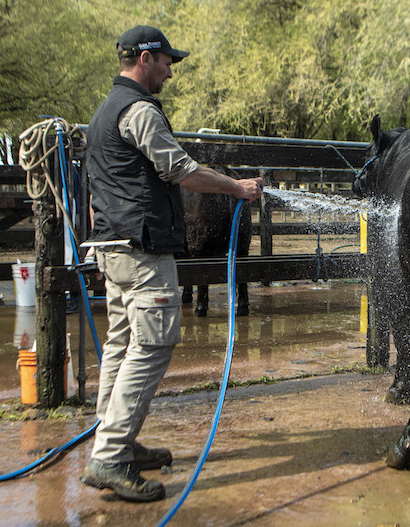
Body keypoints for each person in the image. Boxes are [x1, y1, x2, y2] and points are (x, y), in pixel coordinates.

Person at [81, 25, 265, 502]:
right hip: (142, 254)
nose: (169, 70)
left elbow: (97, 187)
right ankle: (110, 457)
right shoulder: (140, 111)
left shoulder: (104, 113)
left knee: (122, 347)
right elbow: (180, 170)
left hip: (113, 250)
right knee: (154, 345)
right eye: (166, 61)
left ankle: (114, 440)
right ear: (145, 58)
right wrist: (238, 188)